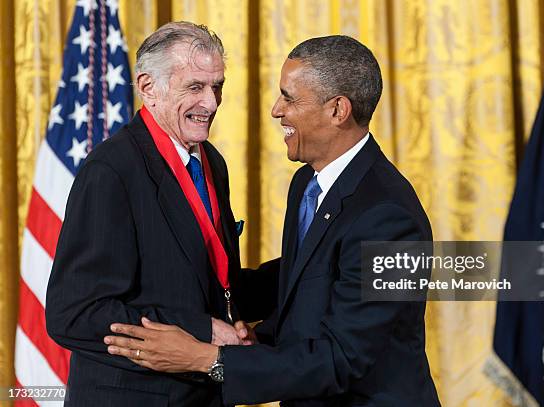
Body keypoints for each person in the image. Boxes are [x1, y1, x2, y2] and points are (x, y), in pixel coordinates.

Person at [104, 35, 440, 406]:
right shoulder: (308, 183)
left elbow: (341, 358)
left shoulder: (389, 217)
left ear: (337, 110)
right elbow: (307, 293)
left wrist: (207, 359)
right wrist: (249, 334)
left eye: (290, 98)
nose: (276, 110)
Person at [45, 22, 264, 406]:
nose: (211, 103)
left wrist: (315, 267)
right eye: (195, 87)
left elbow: (208, 285)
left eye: (217, 87)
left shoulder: (211, 161)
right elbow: (75, 312)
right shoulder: (111, 170)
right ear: (148, 88)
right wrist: (202, 331)